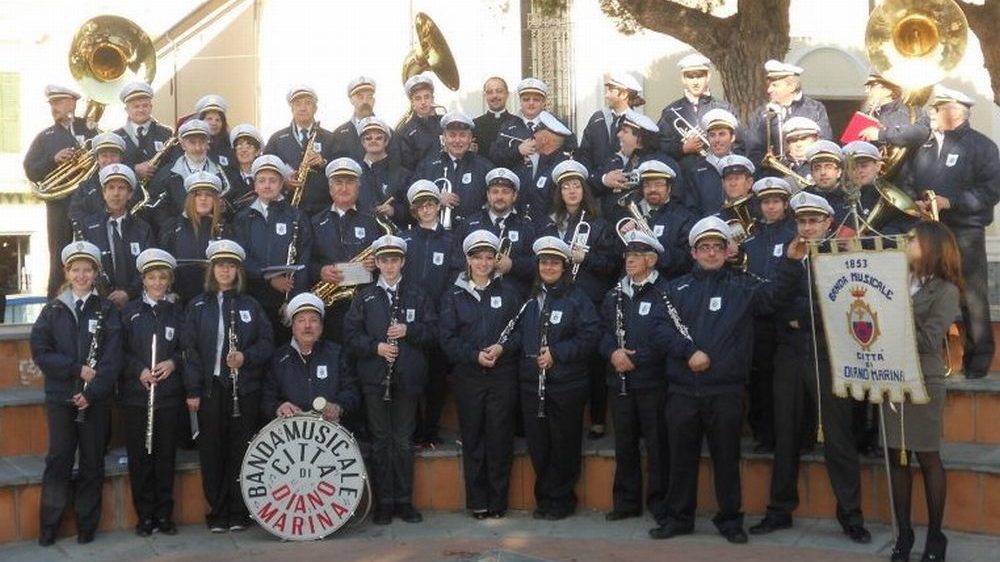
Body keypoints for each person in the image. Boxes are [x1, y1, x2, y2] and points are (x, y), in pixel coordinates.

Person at [649, 215, 802, 544]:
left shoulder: (743, 286)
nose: (710, 253)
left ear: (726, 251)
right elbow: (660, 329)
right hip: (682, 389)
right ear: (693, 253)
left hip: (726, 391)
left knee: (726, 458)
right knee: (680, 459)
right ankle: (679, 518)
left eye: (717, 247)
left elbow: (774, 296)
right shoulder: (675, 289)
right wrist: (688, 352)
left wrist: (790, 262)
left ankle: (730, 519)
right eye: (704, 247)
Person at [749, 192, 872, 544]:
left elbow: (845, 309)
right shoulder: (787, 256)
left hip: (829, 354)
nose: (807, 228)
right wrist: (789, 266)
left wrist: (798, 317)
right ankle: (779, 510)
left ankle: (850, 515)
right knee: (784, 434)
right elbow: (768, 303)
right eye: (802, 222)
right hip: (789, 354)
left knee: (839, 438)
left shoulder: (843, 257)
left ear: (828, 224)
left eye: (814, 222)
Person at [899, 86, 1000, 379]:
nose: (931, 113)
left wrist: (951, 202)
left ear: (955, 112)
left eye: (937, 108)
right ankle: (931, 355)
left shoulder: (982, 146)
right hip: (929, 230)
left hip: (964, 231)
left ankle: (977, 364)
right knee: (923, 288)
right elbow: (906, 180)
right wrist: (913, 202)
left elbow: (990, 190)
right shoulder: (924, 146)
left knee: (971, 295)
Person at [30, 240, 121, 546]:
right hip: (61, 397)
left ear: (96, 273)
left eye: (87, 270)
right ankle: (49, 525)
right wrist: (75, 369)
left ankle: (86, 524)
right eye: (76, 270)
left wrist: (91, 392)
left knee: (92, 462)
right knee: (59, 460)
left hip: (94, 400)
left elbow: (112, 358)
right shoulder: (52, 310)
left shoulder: (107, 310)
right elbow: (41, 352)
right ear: (66, 273)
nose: (82, 275)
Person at [344, 234, 438, 525]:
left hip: (407, 379)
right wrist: (376, 347)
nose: (389, 265)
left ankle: (404, 502)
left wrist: (409, 331)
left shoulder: (418, 294)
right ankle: (384, 503)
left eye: (394, 260)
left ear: (403, 262)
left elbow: (434, 332)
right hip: (375, 378)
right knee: (381, 440)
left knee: (402, 441)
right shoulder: (365, 296)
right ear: (377, 264)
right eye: (384, 260)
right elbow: (350, 336)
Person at [182, 239, 274, 533]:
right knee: (212, 451)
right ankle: (218, 511)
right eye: (220, 265)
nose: (225, 270)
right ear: (212, 269)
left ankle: (239, 510)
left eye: (231, 266)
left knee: (240, 450)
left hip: (243, 389)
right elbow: (190, 350)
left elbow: (267, 343)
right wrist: (193, 390)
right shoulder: (196, 305)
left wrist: (246, 356)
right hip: (210, 388)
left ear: (238, 271)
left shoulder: (250, 304)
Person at [885, 221, 963, 562]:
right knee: (895, 456)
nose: (907, 241)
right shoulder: (895, 280)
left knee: (926, 456)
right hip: (890, 378)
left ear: (931, 245)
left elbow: (930, 340)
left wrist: (891, 316)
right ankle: (904, 532)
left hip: (923, 380)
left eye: (913, 238)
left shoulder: (947, 290)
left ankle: (935, 535)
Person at [510, 236, 600, 520]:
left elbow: (590, 335)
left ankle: (562, 499)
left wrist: (557, 353)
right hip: (531, 385)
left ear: (564, 266)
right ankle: (545, 498)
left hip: (566, 385)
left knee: (564, 444)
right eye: (544, 262)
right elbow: (517, 336)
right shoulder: (529, 299)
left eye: (554, 262)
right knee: (539, 445)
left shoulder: (577, 298)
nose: (548, 267)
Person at [438, 230, 524, 518]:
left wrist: (502, 348)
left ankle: (498, 502)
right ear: (468, 260)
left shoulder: (510, 292)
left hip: (502, 374)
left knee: (500, 439)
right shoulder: (453, 295)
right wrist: (474, 355)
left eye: (489, 257)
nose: (484, 263)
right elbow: (447, 338)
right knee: (473, 438)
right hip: (468, 376)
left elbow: (521, 331)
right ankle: (479, 502)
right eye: (478, 258)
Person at [540, 160, 617, 439]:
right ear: (559, 192)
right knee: (563, 358)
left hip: (590, 298)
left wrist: (586, 258)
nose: (571, 191)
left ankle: (597, 418)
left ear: (584, 190)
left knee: (594, 362)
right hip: (558, 298)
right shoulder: (550, 222)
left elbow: (611, 264)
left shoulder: (598, 224)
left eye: (576, 186)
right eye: (565, 187)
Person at [599, 230, 670, 522]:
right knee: (624, 444)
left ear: (651, 260)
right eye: (628, 255)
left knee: (658, 445)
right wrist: (613, 353)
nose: (630, 260)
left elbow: (667, 335)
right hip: (620, 381)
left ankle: (660, 503)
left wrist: (637, 358)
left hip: (653, 380)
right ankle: (626, 503)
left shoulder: (666, 292)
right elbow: (601, 332)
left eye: (637, 255)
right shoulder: (614, 293)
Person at [120, 249, 184, 537]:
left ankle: (164, 515)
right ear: (143, 280)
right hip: (137, 396)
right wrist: (138, 370)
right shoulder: (130, 312)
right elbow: (118, 351)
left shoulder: (177, 312)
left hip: (168, 398)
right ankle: (144, 516)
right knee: (140, 458)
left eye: (162, 278)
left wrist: (173, 362)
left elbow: (188, 349)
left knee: (165, 457)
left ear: (168, 281)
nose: (157, 283)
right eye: (151, 278)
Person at [23, 85, 97, 298]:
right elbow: (30, 170)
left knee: (93, 252)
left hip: (89, 204)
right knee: (58, 257)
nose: (54, 108)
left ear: (72, 103)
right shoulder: (45, 137)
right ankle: (55, 304)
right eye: (52, 104)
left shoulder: (91, 130)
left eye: (58, 102)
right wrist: (53, 160)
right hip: (59, 206)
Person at [232, 154, 314, 345]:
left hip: (284, 299)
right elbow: (240, 256)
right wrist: (268, 277)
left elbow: (304, 259)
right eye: (261, 180)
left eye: (273, 180)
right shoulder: (243, 217)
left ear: (281, 184)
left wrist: (293, 301)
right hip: (252, 295)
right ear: (255, 185)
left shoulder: (296, 217)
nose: (267, 185)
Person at [742, 177, 797, 454]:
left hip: (787, 318)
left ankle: (793, 436)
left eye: (776, 201)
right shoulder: (750, 238)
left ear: (786, 204)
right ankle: (764, 434)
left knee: (786, 382)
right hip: (759, 320)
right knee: (760, 379)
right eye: (765, 202)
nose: (771, 207)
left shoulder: (794, 234)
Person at [399, 181, 455, 446]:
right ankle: (414, 428)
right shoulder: (405, 240)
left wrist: (445, 309)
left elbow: (455, 277)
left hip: (440, 318)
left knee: (436, 377)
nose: (427, 209)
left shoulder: (450, 240)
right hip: (411, 318)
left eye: (431, 204)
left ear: (438, 206)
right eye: (421, 206)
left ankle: (430, 429)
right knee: (412, 376)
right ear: (415, 210)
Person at [309, 157, 382, 342]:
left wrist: (377, 262)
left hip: (366, 304)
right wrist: (320, 271)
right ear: (330, 189)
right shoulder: (315, 222)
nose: (343, 188)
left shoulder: (373, 220)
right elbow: (304, 261)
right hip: (330, 304)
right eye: (338, 183)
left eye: (349, 183)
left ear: (358, 187)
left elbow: (389, 259)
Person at [263, 292, 359, 423]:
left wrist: (338, 407)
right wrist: (278, 407)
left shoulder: (337, 354)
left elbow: (352, 391)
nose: (307, 326)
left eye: (313, 320)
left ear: (321, 326)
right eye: (301, 320)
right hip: (291, 433)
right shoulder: (279, 359)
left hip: (331, 433)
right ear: (293, 326)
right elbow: (267, 398)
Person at [450, 168, 537, 297]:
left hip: (512, 300)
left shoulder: (526, 227)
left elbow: (537, 264)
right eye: (495, 192)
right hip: (472, 297)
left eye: (505, 192)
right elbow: (454, 259)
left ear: (514, 196)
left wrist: (513, 265)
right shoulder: (469, 224)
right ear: (488, 195)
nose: (499, 197)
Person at [80, 164, 153, 308]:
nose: (116, 194)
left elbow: (149, 267)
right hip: (98, 304)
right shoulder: (87, 227)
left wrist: (128, 293)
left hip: (135, 304)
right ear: (104, 193)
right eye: (111, 188)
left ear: (130, 194)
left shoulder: (143, 229)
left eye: (121, 188)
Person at [614, 160, 696, 280]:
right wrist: (623, 237)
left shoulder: (685, 217)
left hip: (667, 285)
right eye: (647, 184)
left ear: (669, 188)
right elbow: (615, 259)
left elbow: (688, 259)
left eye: (658, 184)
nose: (652, 189)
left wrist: (655, 255)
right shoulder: (628, 215)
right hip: (631, 286)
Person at [147, 119, 231, 235]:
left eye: (202, 142)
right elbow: (156, 209)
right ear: (182, 144)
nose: (197, 148)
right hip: (178, 236)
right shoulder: (166, 174)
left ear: (208, 143)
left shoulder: (223, 172)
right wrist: (173, 229)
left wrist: (223, 210)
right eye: (192, 142)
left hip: (213, 233)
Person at [263, 85, 336, 216]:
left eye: (308, 103)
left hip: (322, 209)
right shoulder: (277, 139)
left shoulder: (330, 138)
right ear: (291, 108)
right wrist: (284, 181)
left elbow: (342, 166)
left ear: (315, 108)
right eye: (297, 104)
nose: (302, 108)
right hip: (286, 209)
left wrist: (324, 162)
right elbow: (265, 168)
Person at [413, 111, 493, 227]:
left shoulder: (484, 166)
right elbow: (412, 197)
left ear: (470, 138)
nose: (457, 141)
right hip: (437, 235)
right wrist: (435, 198)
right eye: (452, 135)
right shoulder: (427, 166)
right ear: (444, 138)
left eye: (462, 135)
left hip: (472, 232)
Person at [597, 110, 682, 218]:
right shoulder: (616, 160)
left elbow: (676, 203)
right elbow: (590, 184)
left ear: (640, 138)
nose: (619, 135)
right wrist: (605, 180)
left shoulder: (663, 163)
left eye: (624, 131)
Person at [747, 60, 832, 167]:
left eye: (774, 85)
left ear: (791, 87)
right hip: (774, 175)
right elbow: (754, 149)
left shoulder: (815, 108)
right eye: (769, 86)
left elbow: (824, 142)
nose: (769, 90)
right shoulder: (762, 113)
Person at [159, 172, 227, 304]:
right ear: (190, 198)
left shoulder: (225, 228)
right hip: (179, 299)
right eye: (198, 195)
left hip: (214, 300)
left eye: (208, 195)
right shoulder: (171, 226)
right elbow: (162, 265)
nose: (203, 199)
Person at [659, 54, 737, 165]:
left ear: (708, 76)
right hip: (685, 176)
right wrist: (682, 148)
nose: (695, 82)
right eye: (690, 77)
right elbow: (659, 145)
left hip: (718, 173)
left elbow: (739, 144)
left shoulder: (724, 108)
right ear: (683, 79)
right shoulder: (671, 111)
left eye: (700, 76)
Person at [490, 78, 577, 168]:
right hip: (518, 180)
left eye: (536, 100)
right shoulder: (507, 126)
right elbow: (495, 158)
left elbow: (571, 152)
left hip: (548, 180)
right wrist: (518, 151)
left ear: (543, 102)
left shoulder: (557, 126)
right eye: (526, 99)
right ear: (520, 101)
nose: (531, 103)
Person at [855, 72, 931, 169]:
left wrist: (880, 134)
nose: (867, 91)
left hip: (902, 179)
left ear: (888, 91)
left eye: (872, 86)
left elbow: (920, 133)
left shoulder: (914, 113)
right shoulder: (867, 116)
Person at [576, 72, 645, 173]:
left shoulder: (639, 123)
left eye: (611, 90)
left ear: (624, 94)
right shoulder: (597, 119)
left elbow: (642, 156)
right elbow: (584, 154)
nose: (606, 95)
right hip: (598, 185)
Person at [677, 108, 740, 217]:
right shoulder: (696, 172)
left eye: (722, 134)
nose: (717, 140)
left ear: (732, 137)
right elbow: (690, 210)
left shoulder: (743, 167)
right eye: (712, 135)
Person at [512, 111, 575, 219]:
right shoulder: (537, 162)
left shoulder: (562, 169)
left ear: (545, 140)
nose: (532, 138)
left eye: (535, 134)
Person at [113, 82, 174, 181]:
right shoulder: (116, 136)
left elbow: (173, 164)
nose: (141, 110)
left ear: (151, 107)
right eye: (136, 106)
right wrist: (134, 170)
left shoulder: (166, 133)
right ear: (127, 110)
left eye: (145, 105)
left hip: (161, 192)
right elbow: (110, 166)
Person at [358, 117, 410, 226]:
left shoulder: (402, 174)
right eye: (368, 138)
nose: (373, 141)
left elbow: (414, 211)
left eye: (378, 138)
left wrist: (394, 211)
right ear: (363, 142)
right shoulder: (355, 173)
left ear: (386, 142)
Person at [67, 132, 129, 223]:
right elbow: (75, 215)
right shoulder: (84, 188)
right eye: (104, 156)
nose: (109, 160)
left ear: (121, 158)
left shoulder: (131, 184)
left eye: (113, 155)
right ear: (97, 159)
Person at [398, 74, 443, 171]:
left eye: (427, 97)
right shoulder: (405, 132)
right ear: (412, 103)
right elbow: (407, 167)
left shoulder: (444, 124)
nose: (423, 102)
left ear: (432, 99)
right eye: (418, 98)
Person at [330, 76, 379, 162]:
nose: (365, 101)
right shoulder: (339, 134)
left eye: (369, 97)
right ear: (351, 100)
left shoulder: (386, 133)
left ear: (374, 101)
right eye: (360, 97)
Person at [223, 124, 264, 214]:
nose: (244, 150)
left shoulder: (264, 176)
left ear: (257, 151)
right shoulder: (225, 176)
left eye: (249, 146)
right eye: (239, 146)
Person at [473, 77, 511, 158]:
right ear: (485, 96)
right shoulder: (475, 125)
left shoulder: (518, 123)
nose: (494, 96)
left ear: (507, 94)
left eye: (499, 91)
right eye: (490, 92)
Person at [192, 94, 234, 166]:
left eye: (218, 120)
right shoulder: (190, 144)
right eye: (209, 119)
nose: (213, 123)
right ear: (201, 121)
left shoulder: (228, 146)